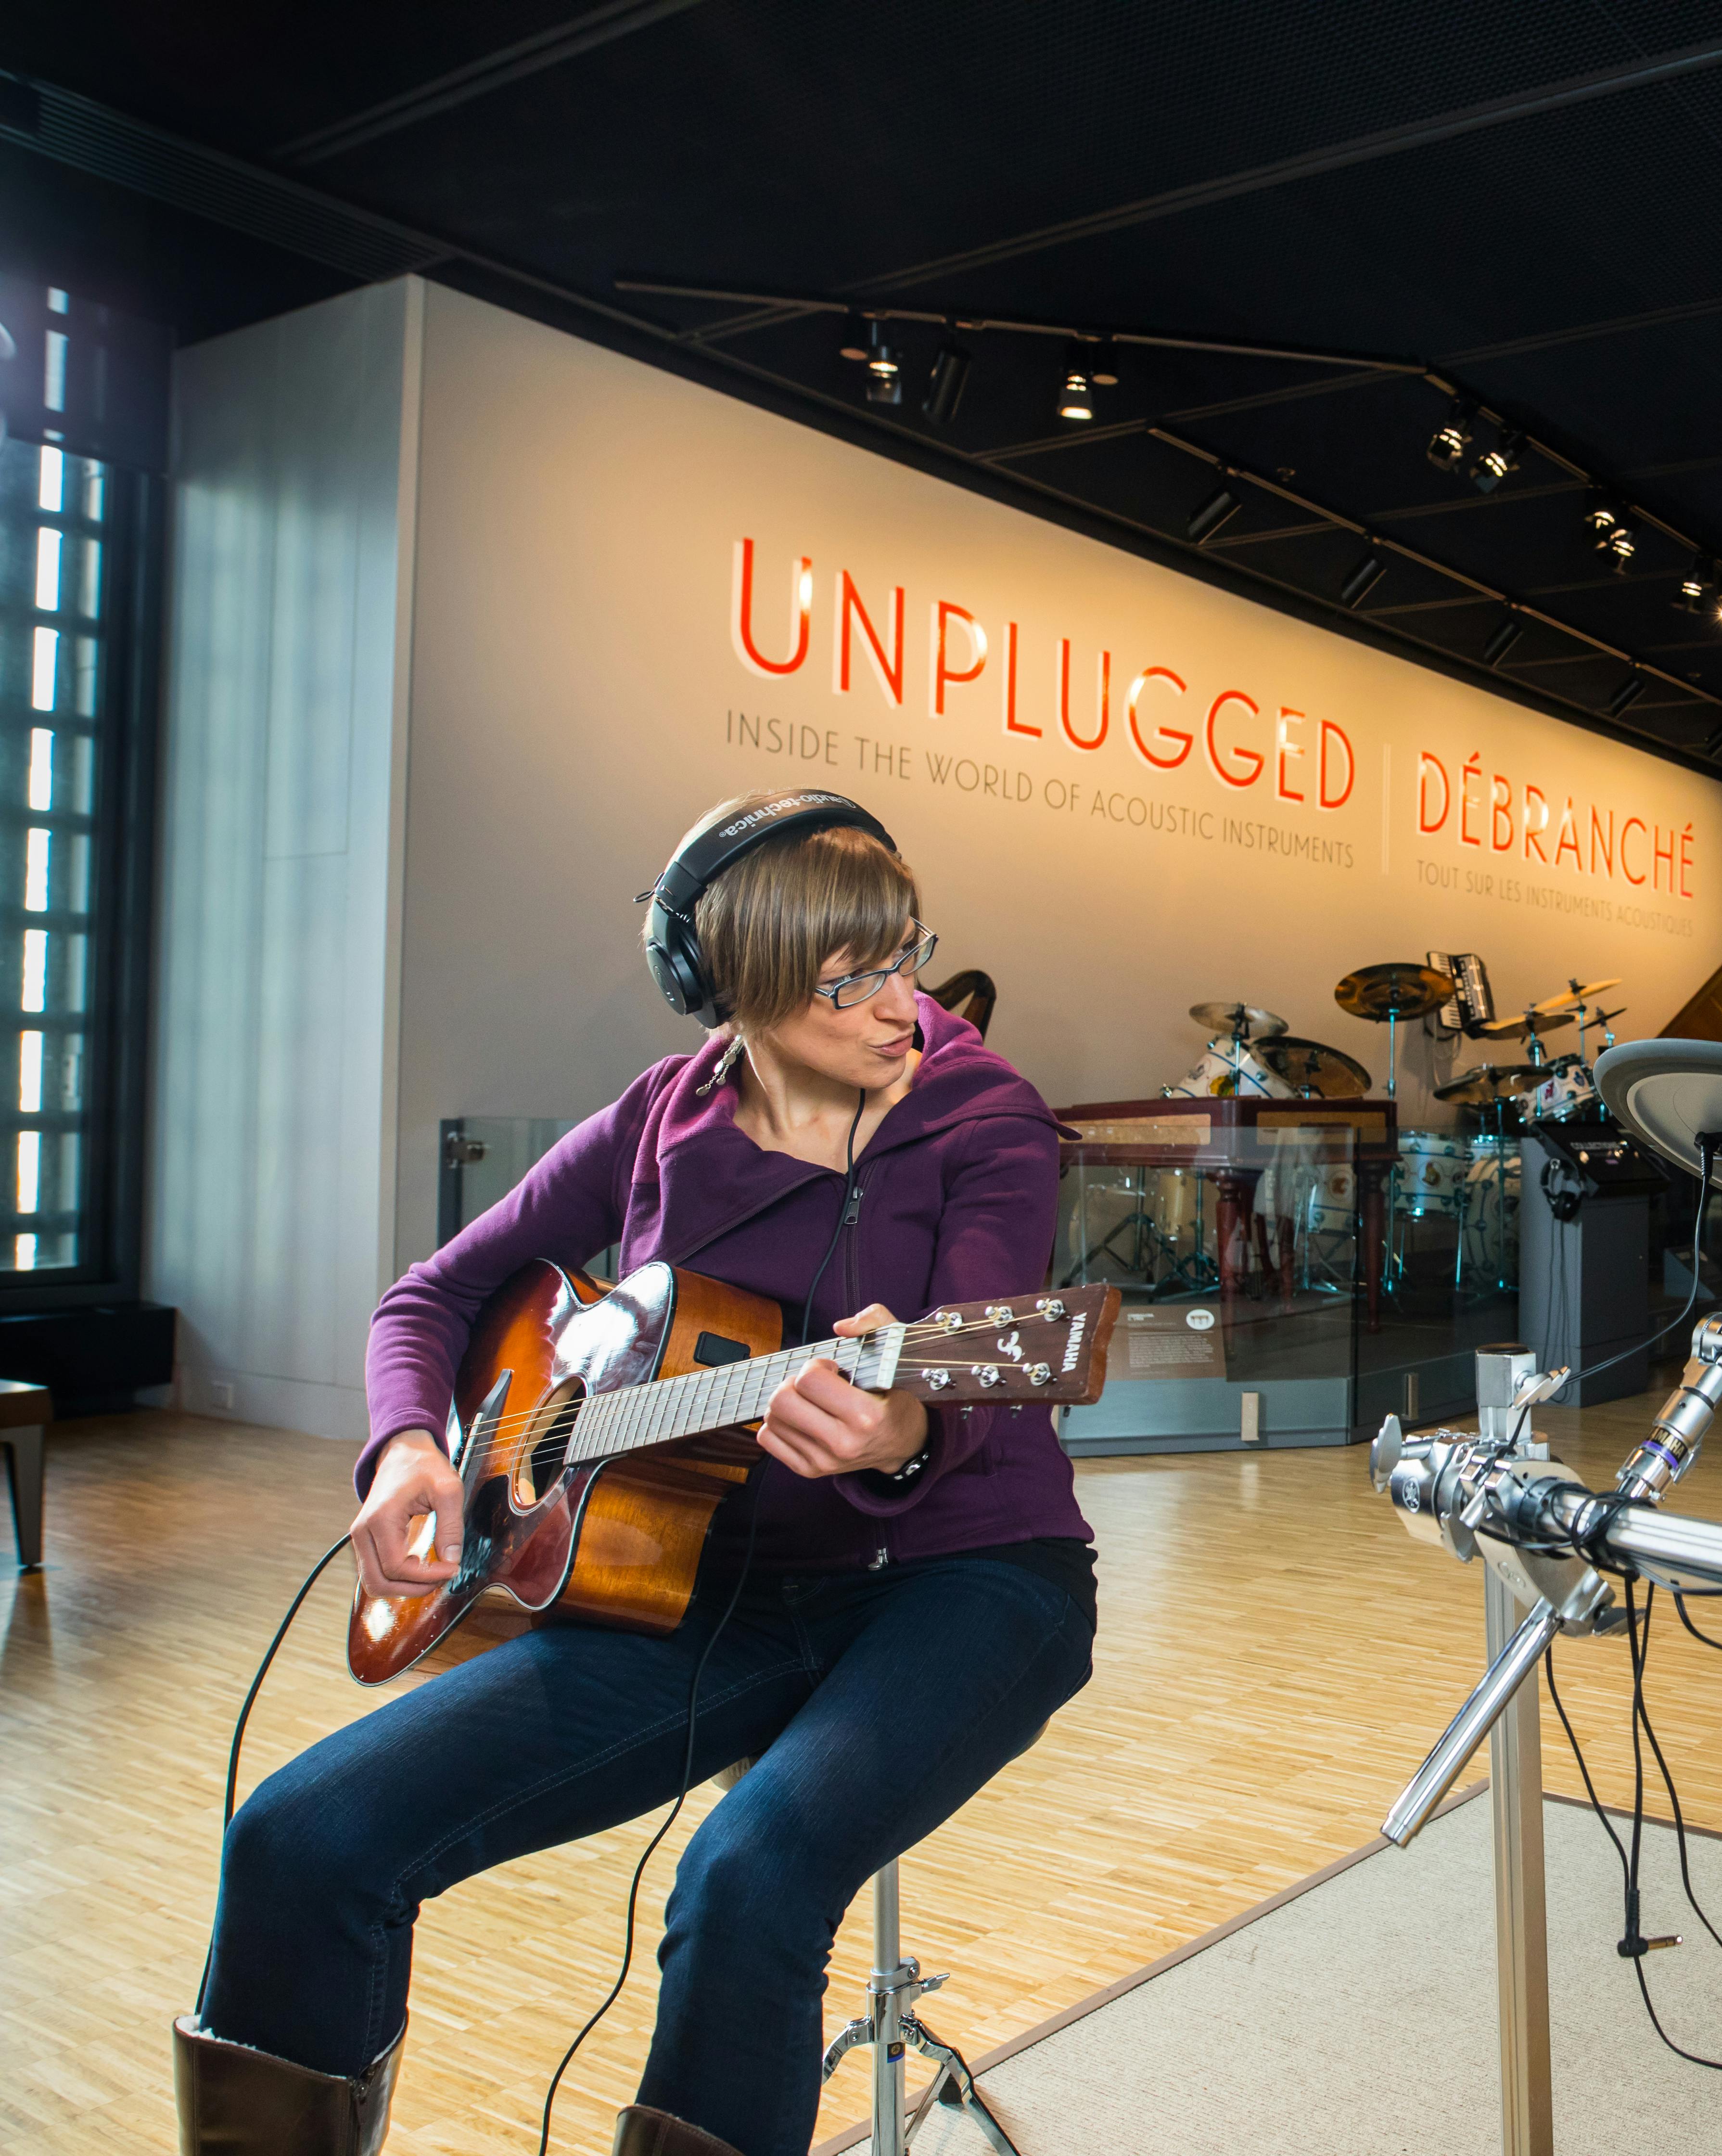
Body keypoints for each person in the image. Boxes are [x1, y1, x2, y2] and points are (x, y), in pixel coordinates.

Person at [177, 792, 1093, 2156]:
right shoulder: (660, 1117)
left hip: (963, 1588)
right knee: (299, 1839)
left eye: (906, 954)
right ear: (731, 989)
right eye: (847, 981)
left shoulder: (981, 1116)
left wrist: (905, 1430)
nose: (897, 1001)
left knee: (746, 1879)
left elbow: (984, 1340)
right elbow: (431, 1296)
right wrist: (409, 1446)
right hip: (703, 1599)